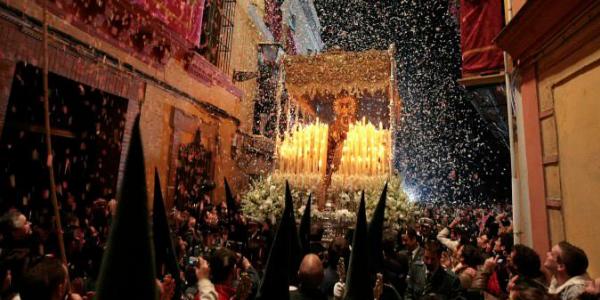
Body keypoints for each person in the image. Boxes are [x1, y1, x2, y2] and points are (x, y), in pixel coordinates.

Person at [402, 226, 427, 299]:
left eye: (405, 240)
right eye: (402, 240)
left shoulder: (424, 255)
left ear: (414, 239)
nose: (403, 243)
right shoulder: (402, 254)